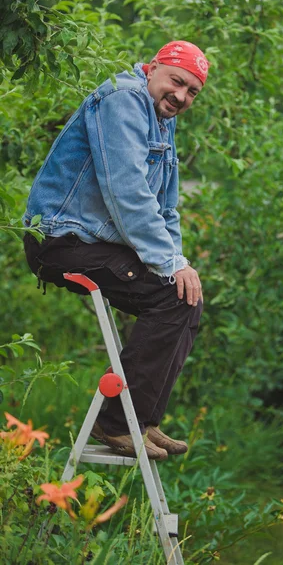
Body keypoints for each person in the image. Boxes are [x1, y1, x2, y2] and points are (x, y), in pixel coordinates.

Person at [23, 41, 209, 461]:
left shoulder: (163, 120)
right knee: (170, 297)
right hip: (60, 241)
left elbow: (165, 207)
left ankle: (141, 419)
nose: (181, 96)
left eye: (192, 91)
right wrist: (170, 264)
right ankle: (119, 423)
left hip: (92, 243)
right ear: (153, 68)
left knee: (185, 297)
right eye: (177, 81)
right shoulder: (124, 99)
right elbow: (126, 192)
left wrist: (179, 264)